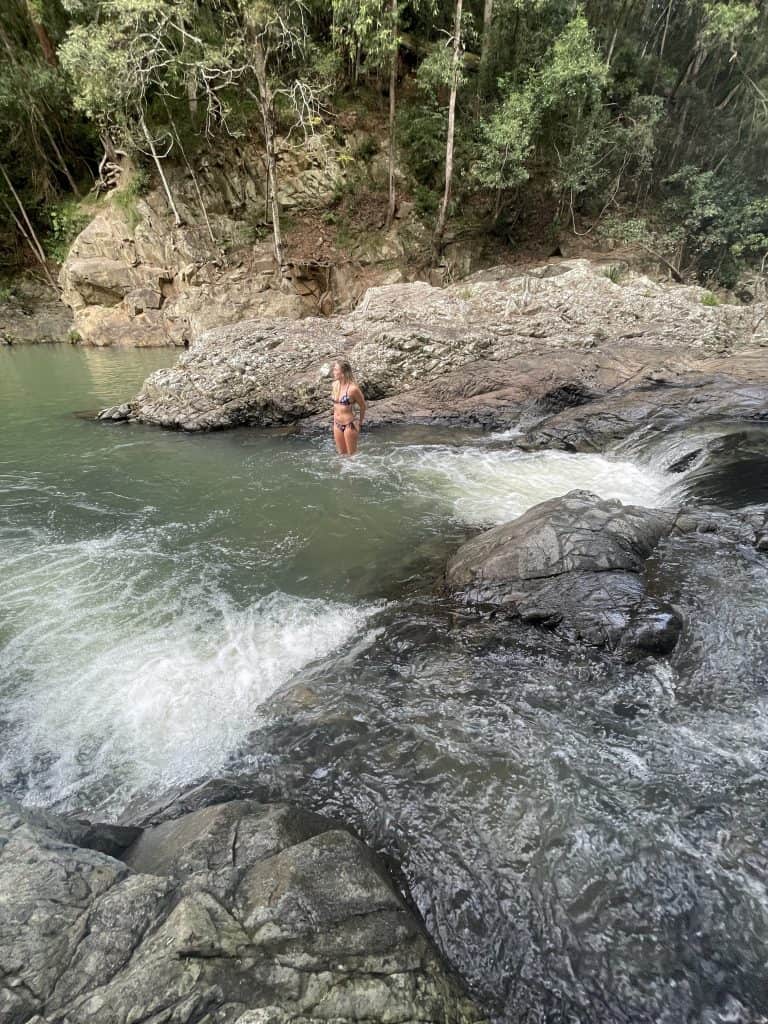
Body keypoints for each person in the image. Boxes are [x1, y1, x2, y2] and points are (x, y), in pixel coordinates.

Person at [331, 358, 365, 456]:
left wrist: (360, 423)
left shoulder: (353, 389)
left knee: (352, 457)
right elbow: (336, 405)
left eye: (336, 369)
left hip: (349, 425)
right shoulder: (334, 385)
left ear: (343, 372)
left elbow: (363, 406)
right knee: (341, 455)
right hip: (336, 423)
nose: (333, 371)